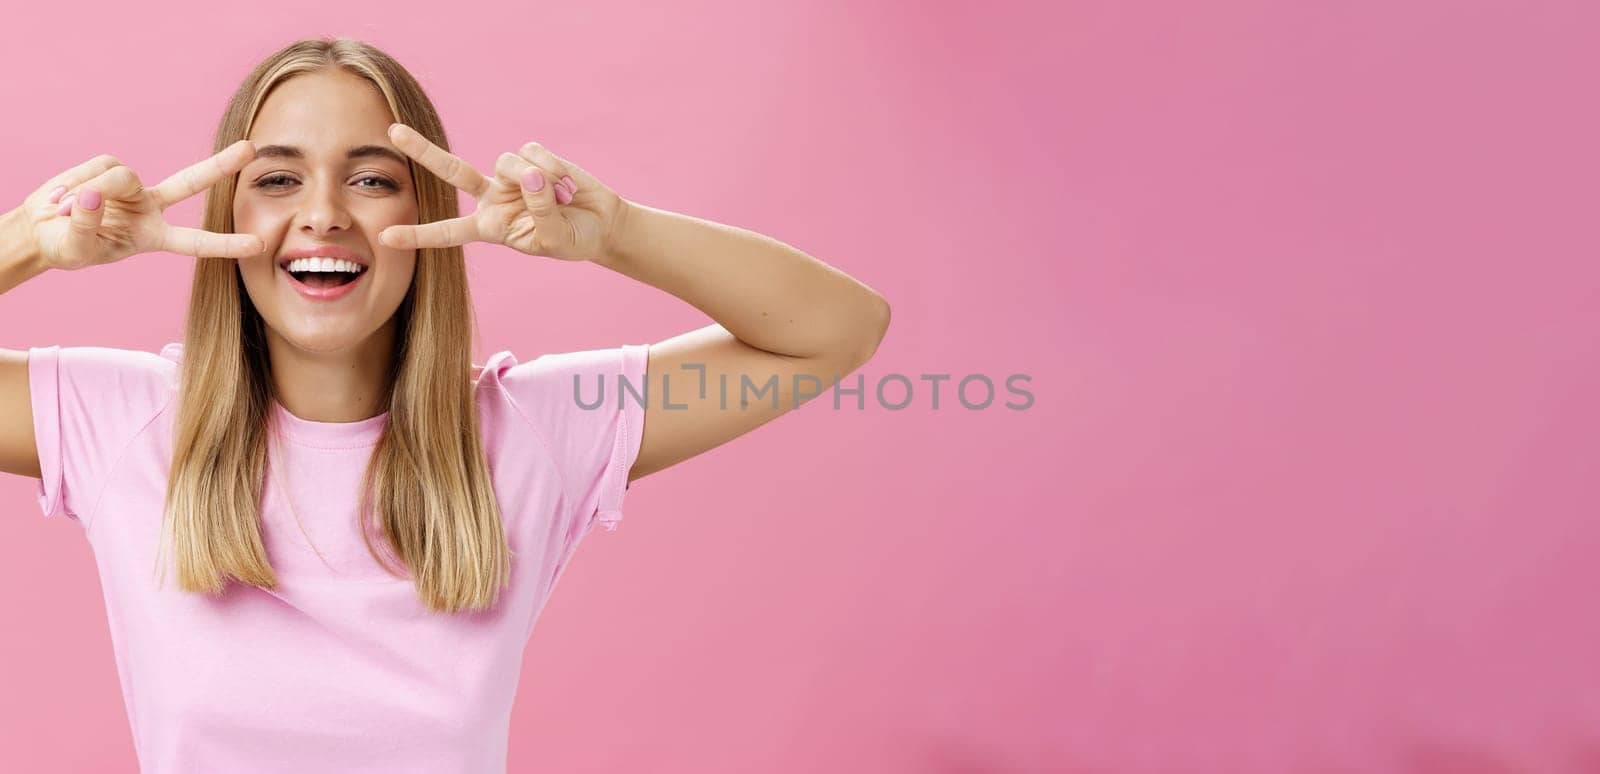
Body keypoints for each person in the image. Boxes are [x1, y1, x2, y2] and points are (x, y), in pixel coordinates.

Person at [0, 37, 888, 773]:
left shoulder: (533, 434)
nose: (322, 215)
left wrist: (615, 232)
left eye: (372, 178)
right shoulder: (124, 424)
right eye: (276, 179)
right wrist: (28, 243)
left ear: (427, 212)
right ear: (226, 213)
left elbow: (835, 330)